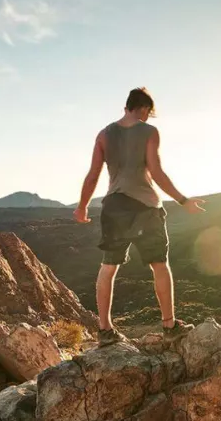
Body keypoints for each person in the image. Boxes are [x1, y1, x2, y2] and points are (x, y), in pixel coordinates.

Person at [74, 87, 206, 345]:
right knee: (159, 264)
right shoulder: (149, 131)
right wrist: (182, 200)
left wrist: (82, 207)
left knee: (108, 266)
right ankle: (169, 326)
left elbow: (93, 175)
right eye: (148, 113)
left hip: (114, 206)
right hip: (146, 207)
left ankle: (105, 331)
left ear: (127, 106)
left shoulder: (104, 134)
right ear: (145, 109)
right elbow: (156, 171)